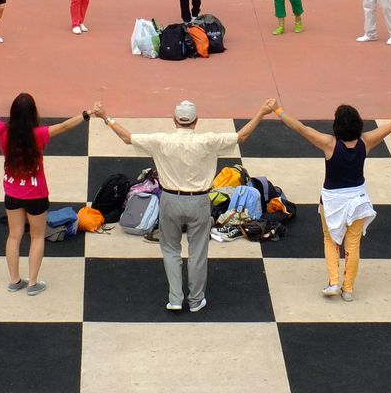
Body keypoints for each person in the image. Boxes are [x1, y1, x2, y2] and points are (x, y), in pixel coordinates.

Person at [100, 98, 273, 311]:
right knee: (198, 251)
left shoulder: (161, 140)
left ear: (174, 120)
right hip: (199, 201)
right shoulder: (208, 141)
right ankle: (195, 300)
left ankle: (175, 299)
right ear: (196, 121)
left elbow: (127, 138)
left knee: (170, 249)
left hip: (170, 201)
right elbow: (243, 136)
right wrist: (262, 111)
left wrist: (105, 117)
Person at [270, 93, 391, 300]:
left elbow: (301, 128)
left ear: (337, 126)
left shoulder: (329, 144)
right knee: (353, 245)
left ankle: (333, 282)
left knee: (330, 239)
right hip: (358, 200)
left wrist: (278, 109)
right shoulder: (366, 142)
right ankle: (348, 289)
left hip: (332, 200)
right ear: (358, 124)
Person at [0, 89, 104, 295]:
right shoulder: (38, 135)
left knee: (14, 236)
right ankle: (33, 284)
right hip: (36, 195)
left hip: (11, 193)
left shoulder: (2, 131)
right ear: (33, 114)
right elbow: (65, 126)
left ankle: (14, 280)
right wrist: (89, 113)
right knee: (37, 237)